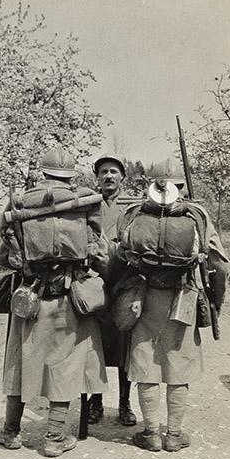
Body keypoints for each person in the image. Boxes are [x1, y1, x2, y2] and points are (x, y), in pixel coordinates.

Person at [0, 145, 107, 458]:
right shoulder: (86, 203)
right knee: (65, 366)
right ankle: (54, 438)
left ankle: (10, 432)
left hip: (28, 299)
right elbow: (100, 253)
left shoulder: (19, 202)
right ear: (72, 175)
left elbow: (1, 256)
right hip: (67, 298)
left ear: (43, 172)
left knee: (19, 361)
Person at [116, 158, 228, 453]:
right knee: (180, 363)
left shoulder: (133, 213)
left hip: (144, 298)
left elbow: (119, 254)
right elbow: (219, 265)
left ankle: (151, 433)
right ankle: (174, 435)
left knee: (145, 362)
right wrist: (215, 301)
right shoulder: (198, 216)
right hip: (184, 297)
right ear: (182, 186)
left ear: (149, 184)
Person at [85, 154, 138, 426]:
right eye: (103, 171)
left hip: (124, 283)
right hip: (95, 284)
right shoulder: (88, 204)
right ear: (96, 177)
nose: (108, 176)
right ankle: (96, 401)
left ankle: (124, 403)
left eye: (113, 172)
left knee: (125, 346)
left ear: (122, 177)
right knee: (94, 345)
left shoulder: (133, 206)